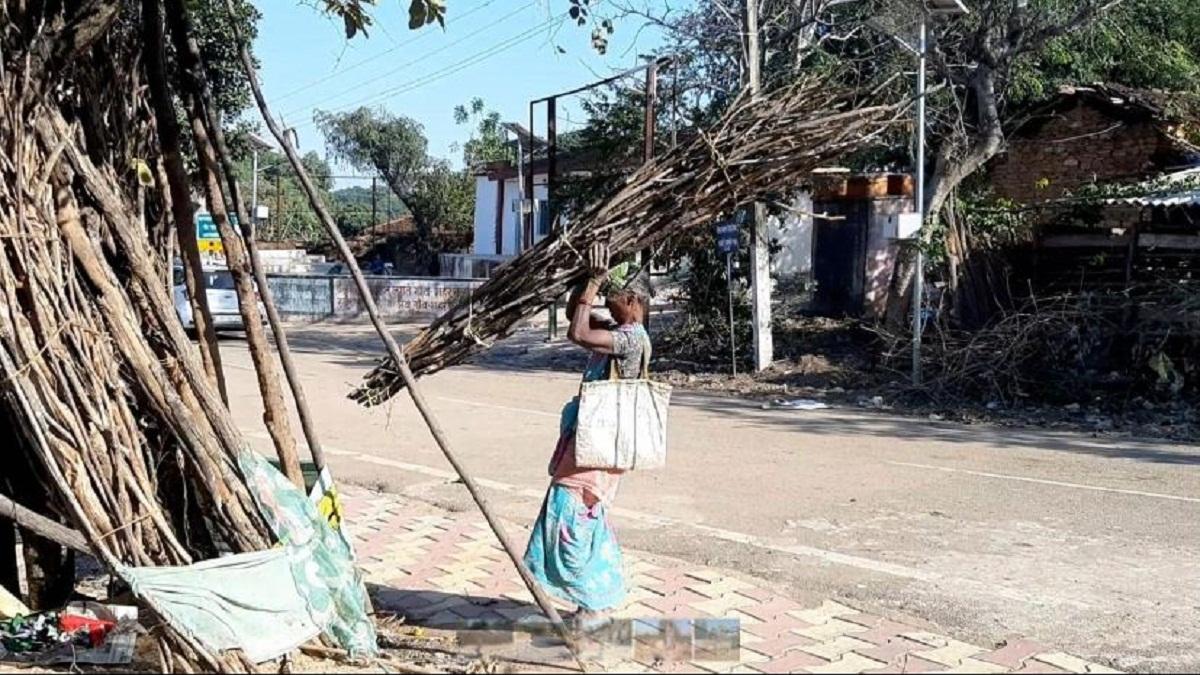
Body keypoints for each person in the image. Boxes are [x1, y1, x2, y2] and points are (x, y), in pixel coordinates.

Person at [523, 243, 653, 631]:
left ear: (631, 300)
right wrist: (588, 279)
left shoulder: (633, 339)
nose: (607, 307)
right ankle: (593, 603)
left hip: (597, 453)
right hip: (591, 446)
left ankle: (594, 606)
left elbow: (579, 331)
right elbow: (572, 317)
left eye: (612, 301)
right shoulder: (620, 330)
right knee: (585, 521)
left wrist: (595, 280)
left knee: (569, 521)